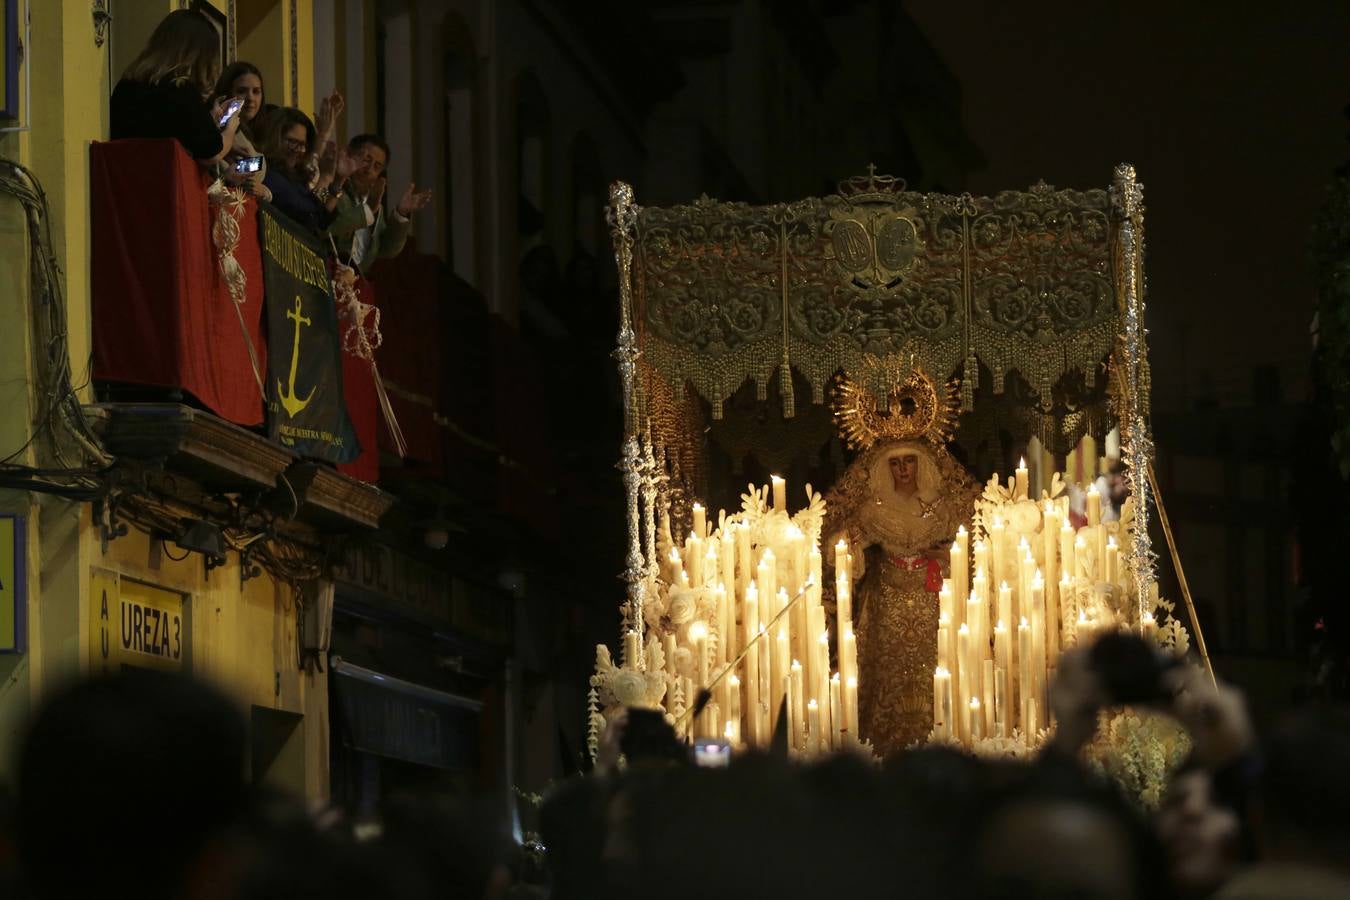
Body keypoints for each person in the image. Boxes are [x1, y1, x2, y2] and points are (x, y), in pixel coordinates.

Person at [824, 431, 978, 754]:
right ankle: (884, 745)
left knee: (937, 666)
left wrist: (947, 556)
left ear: (921, 465)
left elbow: (969, 545)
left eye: (909, 461)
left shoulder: (941, 507)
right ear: (886, 468)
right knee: (884, 672)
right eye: (896, 463)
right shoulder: (874, 509)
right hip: (886, 601)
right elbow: (843, 546)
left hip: (932, 598)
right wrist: (846, 551)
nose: (903, 469)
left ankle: (939, 741)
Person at [111, 9, 239, 165]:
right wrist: (230, 130)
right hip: (163, 185)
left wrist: (208, 119)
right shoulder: (180, 90)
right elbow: (211, 149)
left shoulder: (127, 85)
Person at [327, 133, 431, 269]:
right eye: (366, 160)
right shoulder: (331, 186)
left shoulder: (374, 204)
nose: (369, 170)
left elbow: (386, 250)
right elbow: (327, 228)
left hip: (354, 283)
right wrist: (368, 210)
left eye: (377, 166)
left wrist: (401, 213)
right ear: (349, 155)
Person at [256, 107, 347, 238]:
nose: (298, 150)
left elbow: (322, 218)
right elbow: (308, 216)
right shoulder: (259, 164)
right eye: (292, 142)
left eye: (302, 145)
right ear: (274, 136)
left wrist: (335, 182)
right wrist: (324, 181)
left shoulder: (297, 175)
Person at [212, 60, 271, 199]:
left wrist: (266, 193)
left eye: (256, 91)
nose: (250, 98)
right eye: (242, 91)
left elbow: (251, 182)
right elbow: (215, 182)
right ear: (228, 92)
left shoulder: (256, 136)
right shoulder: (216, 130)